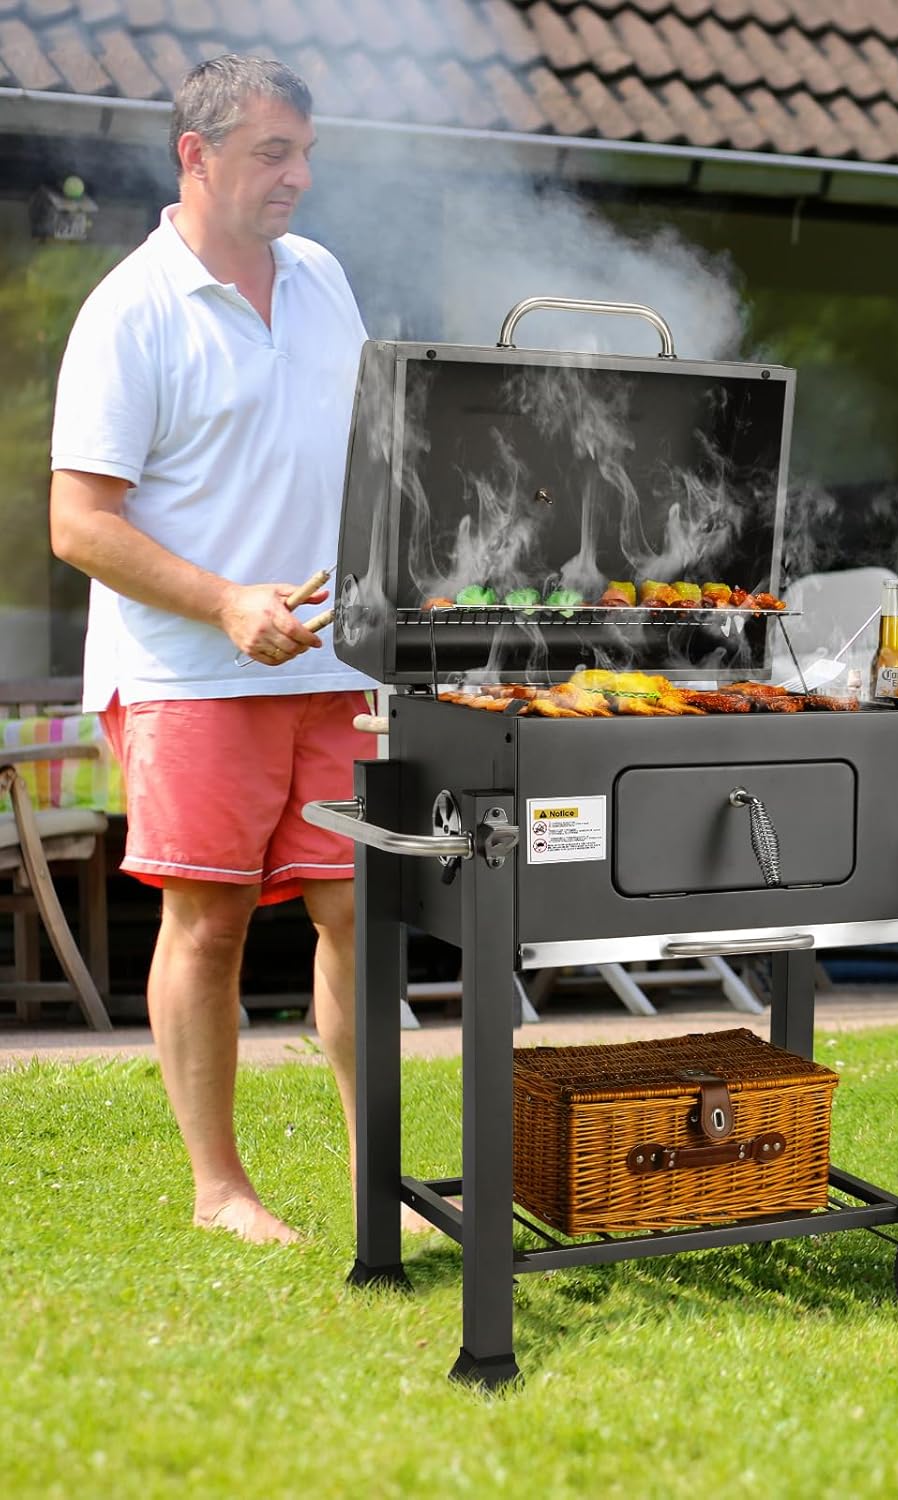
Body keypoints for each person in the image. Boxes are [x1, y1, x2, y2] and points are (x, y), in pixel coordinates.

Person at [50, 56, 375, 1245]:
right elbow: (78, 524)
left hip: (339, 666)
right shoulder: (129, 310)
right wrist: (227, 603)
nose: (297, 177)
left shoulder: (324, 276)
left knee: (361, 910)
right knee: (211, 923)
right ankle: (220, 1191)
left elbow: (364, 452)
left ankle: (377, 1178)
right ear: (195, 153)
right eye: (271, 153)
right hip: (191, 671)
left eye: (305, 154)